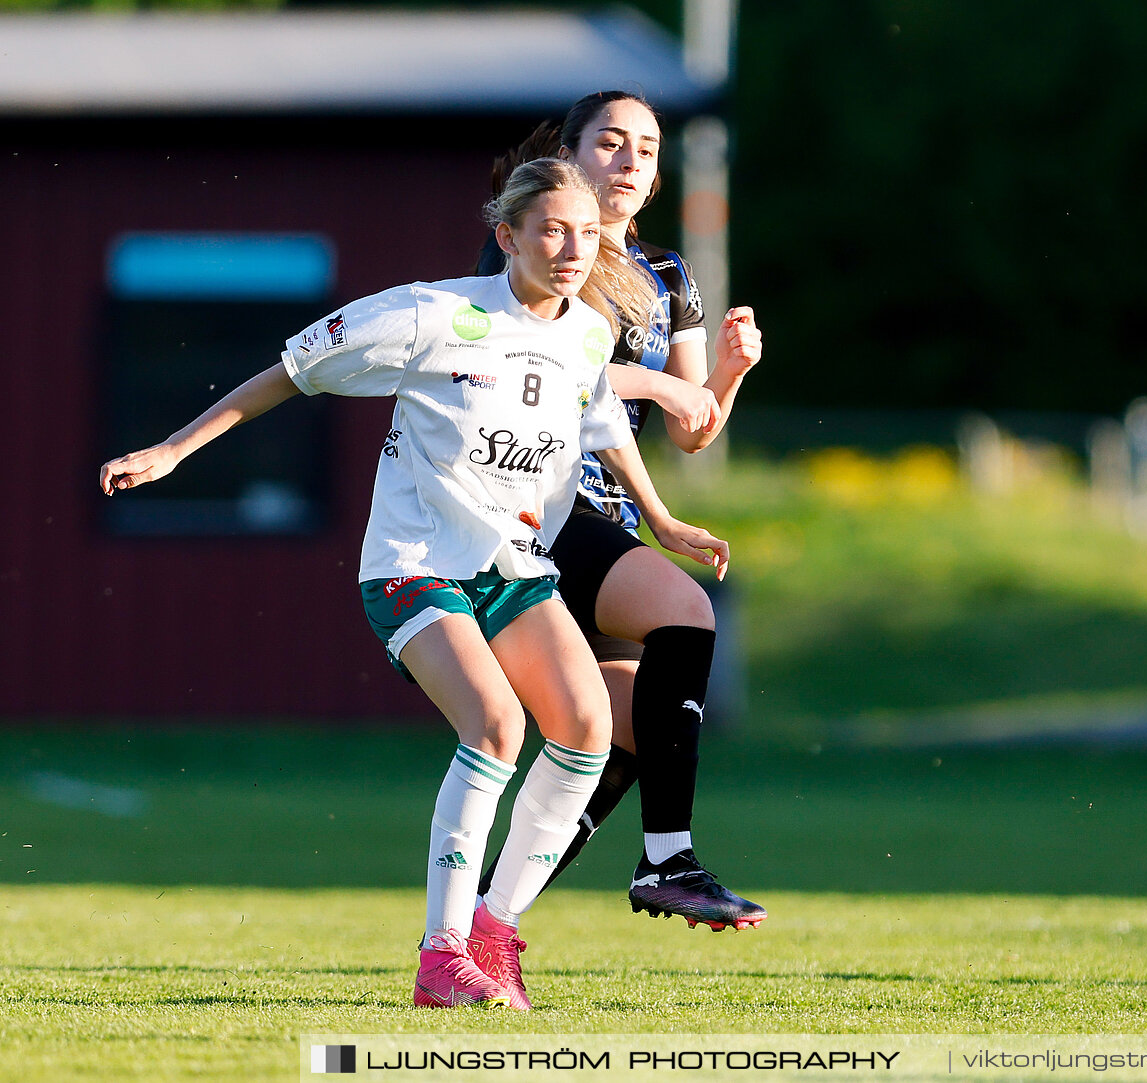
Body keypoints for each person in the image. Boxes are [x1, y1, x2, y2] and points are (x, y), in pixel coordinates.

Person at [99, 158, 728, 1010]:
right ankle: (442, 955)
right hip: (415, 565)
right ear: (507, 236)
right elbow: (291, 368)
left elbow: (602, 421)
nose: (574, 247)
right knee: (498, 725)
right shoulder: (434, 313)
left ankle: (493, 932)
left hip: (511, 571)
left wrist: (662, 519)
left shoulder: (585, 334)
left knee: (586, 729)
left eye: (585, 232)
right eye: (551, 228)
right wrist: (173, 449)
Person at [470, 91, 767, 932]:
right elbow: (539, 372)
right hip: (534, 502)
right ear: (569, 152)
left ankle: (481, 924)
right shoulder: (540, 249)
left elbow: (694, 430)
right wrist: (665, 383)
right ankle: (668, 859)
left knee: (620, 737)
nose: (631, 159)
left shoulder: (669, 274)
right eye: (611, 142)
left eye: (646, 147)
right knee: (685, 611)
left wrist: (727, 376)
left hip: (611, 516)